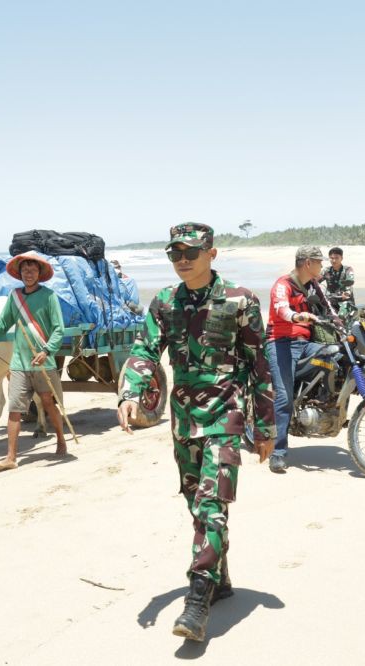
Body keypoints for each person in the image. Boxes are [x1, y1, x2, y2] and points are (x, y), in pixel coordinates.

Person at [117, 223, 275, 642]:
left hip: (226, 418)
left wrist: (266, 426)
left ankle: (197, 600)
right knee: (195, 503)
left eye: (190, 251)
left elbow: (259, 365)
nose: (182, 259)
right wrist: (130, 392)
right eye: (175, 254)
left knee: (212, 504)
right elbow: (145, 351)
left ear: (212, 253)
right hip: (184, 421)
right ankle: (220, 579)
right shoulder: (165, 303)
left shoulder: (241, 300)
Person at [0, 251, 67, 471]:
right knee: (15, 410)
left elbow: (59, 329)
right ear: (20, 274)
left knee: (49, 404)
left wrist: (47, 351)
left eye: (33, 270)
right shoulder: (15, 297)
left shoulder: (49, 297)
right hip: (19, 363)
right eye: (25, 270)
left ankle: (60, 441)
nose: (28, 273)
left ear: (39, 273)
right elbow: (2, 325)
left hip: (43, 363)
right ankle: (11, 457)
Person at [264, 245, 337, 473]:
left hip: (305, 344)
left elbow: (329, 308)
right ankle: (278, 452)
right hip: (280, 343)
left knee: (334, 354)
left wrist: (342, 319)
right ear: (308, 263)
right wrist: (297, 316)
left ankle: (321, 401)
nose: (322, 265)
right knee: (284, 398)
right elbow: (282, 309)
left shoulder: (314, 285)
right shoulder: (282, 285)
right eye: (319, 262)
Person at [319, 246, 356, 315]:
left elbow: (350, 282)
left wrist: (347, 293)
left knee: (342, 315)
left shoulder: (348, 269)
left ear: (341, 258)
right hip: (331, 300)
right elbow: (316, 280)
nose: (334, 260)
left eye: (336, 258)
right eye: (332, 258)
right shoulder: (326, 270)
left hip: (345, 300)